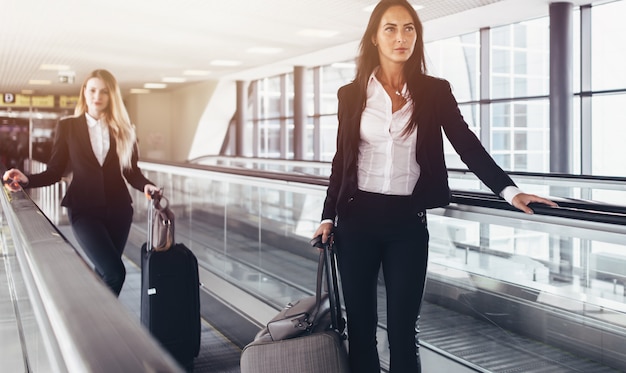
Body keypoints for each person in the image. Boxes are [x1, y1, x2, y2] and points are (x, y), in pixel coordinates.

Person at [312, 1, 558, 372]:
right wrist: (327, 215)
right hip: (356, 221)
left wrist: (509, 191)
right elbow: (342, 159)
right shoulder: (352, 94)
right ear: (375, 38)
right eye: (391, 29)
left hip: (407, 224)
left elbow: (467, 144)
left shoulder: (434, 91)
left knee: (402, 332)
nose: (401, 37)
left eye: (409, 28)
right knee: (361, 330)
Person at [2, 69, 160, 296]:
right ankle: (102, 321)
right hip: (84, 211)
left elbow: (132, 172)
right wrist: (28, 180)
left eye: (104, 91)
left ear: (111, 96)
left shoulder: (125, 130)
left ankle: (95, 323)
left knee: (104, 272)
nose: (98, 96)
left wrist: (146, 185)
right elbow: (55, 171)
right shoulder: (68, 127)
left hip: (119, 211)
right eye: (93, 90)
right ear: (84, 92)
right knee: (115, 272)